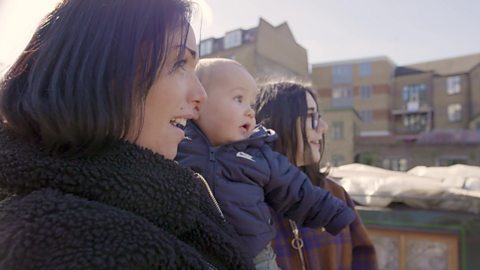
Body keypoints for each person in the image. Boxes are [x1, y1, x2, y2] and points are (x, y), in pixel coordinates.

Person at [0, 1, 254, 269]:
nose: (200, 95)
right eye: (180, 62)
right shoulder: (58, 245)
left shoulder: (168, 194)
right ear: (101, 70)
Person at [176, 58, 356, 270]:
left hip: (255, 257)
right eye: (311, 117)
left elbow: (300, 192)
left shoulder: (261, 157)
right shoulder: (178, 143)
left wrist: (334, 215)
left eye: (251, 104)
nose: (323, 127)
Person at [256, 81, 378, 270]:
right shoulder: (248, 200)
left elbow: (363, 258)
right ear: (280, 122)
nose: (323, 126)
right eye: (311, 116)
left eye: (319, 116)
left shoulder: (335, 194)